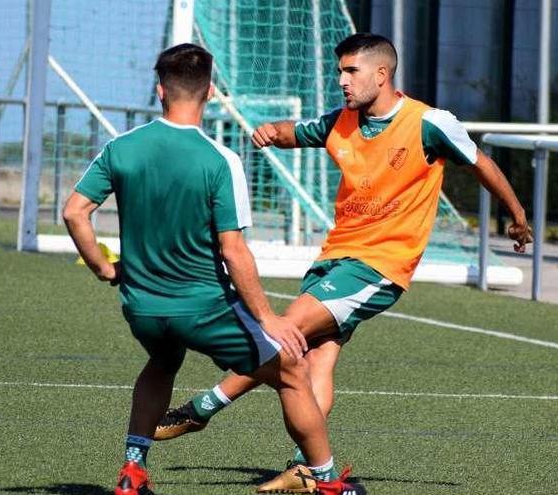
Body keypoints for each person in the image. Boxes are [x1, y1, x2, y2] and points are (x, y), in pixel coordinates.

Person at [154, 33, 533, 492]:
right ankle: (308, 469)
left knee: (283, 332)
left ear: (382, 74)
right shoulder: (343, 122)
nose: (341, 80)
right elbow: (301, 132)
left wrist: (517, 215)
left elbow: (480, 164)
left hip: (378, 266)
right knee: (315, 361)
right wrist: (272, 132)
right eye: (340, 71)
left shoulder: (429, 123)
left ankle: (200, 411)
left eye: (351, 71)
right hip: (334, 257)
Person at [63, 43, 366, 495]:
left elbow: (74, 212)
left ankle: (132, 471)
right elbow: (234, 250)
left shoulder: (121, 148)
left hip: (142, 306)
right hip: (204, 309)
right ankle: (326, 483)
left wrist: (103, 269)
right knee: (294, 369)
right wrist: (269, 318)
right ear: (209, 93)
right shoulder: (220, 160)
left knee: (162, 361)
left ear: (160, 90)